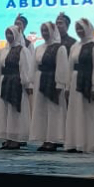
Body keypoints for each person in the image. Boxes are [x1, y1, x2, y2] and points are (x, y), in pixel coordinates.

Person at [64, 18, 94, 153]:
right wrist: (68, 86)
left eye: (81, 28)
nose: (79, 31)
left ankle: (89, 143)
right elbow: (70, 67)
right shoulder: (75, 46)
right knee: (75, 112)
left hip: (88, 82)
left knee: (88, 113)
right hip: (75, 82)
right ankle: (75, 142)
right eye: (77, 29)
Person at [29, 21, 70, 151]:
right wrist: (32, 82)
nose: (44, 33)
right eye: (43, 30)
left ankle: (53, 140)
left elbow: (62, 67)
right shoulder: (39, 48)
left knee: (54, 111)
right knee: (41, 111)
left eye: (46, 30)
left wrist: (60, 84)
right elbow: (34, 66)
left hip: (53, 81)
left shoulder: (60, 48)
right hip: (40, 80)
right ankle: (44, 139)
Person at [0, 24, 34, 149]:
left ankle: (16, 138)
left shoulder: (23, 50)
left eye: (11, 33)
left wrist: (27, 84)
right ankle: (8, 137)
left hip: (17, 83)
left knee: (15, 111)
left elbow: (25, 68)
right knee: (5, 111)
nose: (8, 36)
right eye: (7, 34)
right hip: (5, 82)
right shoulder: (3, 50)